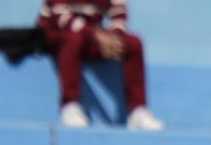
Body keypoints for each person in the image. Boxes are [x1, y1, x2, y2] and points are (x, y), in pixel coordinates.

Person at [38, 0, 164, 130]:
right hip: (55, 33)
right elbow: (58, 16)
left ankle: (137, 111)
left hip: (91, 36)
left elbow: (119, 11)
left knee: (134, 44)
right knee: (73, 40)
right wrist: (95, 35)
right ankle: (70, 106)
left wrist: (113, 37)